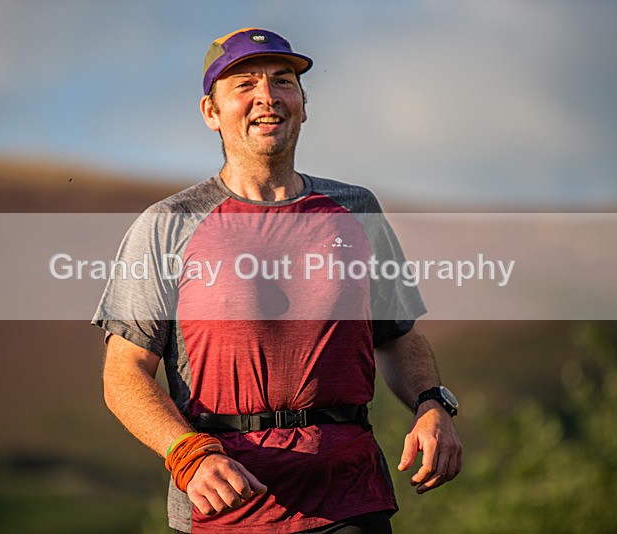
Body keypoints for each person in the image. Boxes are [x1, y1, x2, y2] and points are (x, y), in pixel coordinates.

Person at [93, 28, 462, 534]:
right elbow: (124, 374)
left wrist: (431, 404)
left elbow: (396, 336)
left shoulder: (356, 210)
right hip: (224, 507)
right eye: (244, 84)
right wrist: (188, 454)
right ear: (210, 112)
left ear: (303, 105)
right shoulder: (168, 224)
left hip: (350, 499)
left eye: (282, 81)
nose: (267, 97)